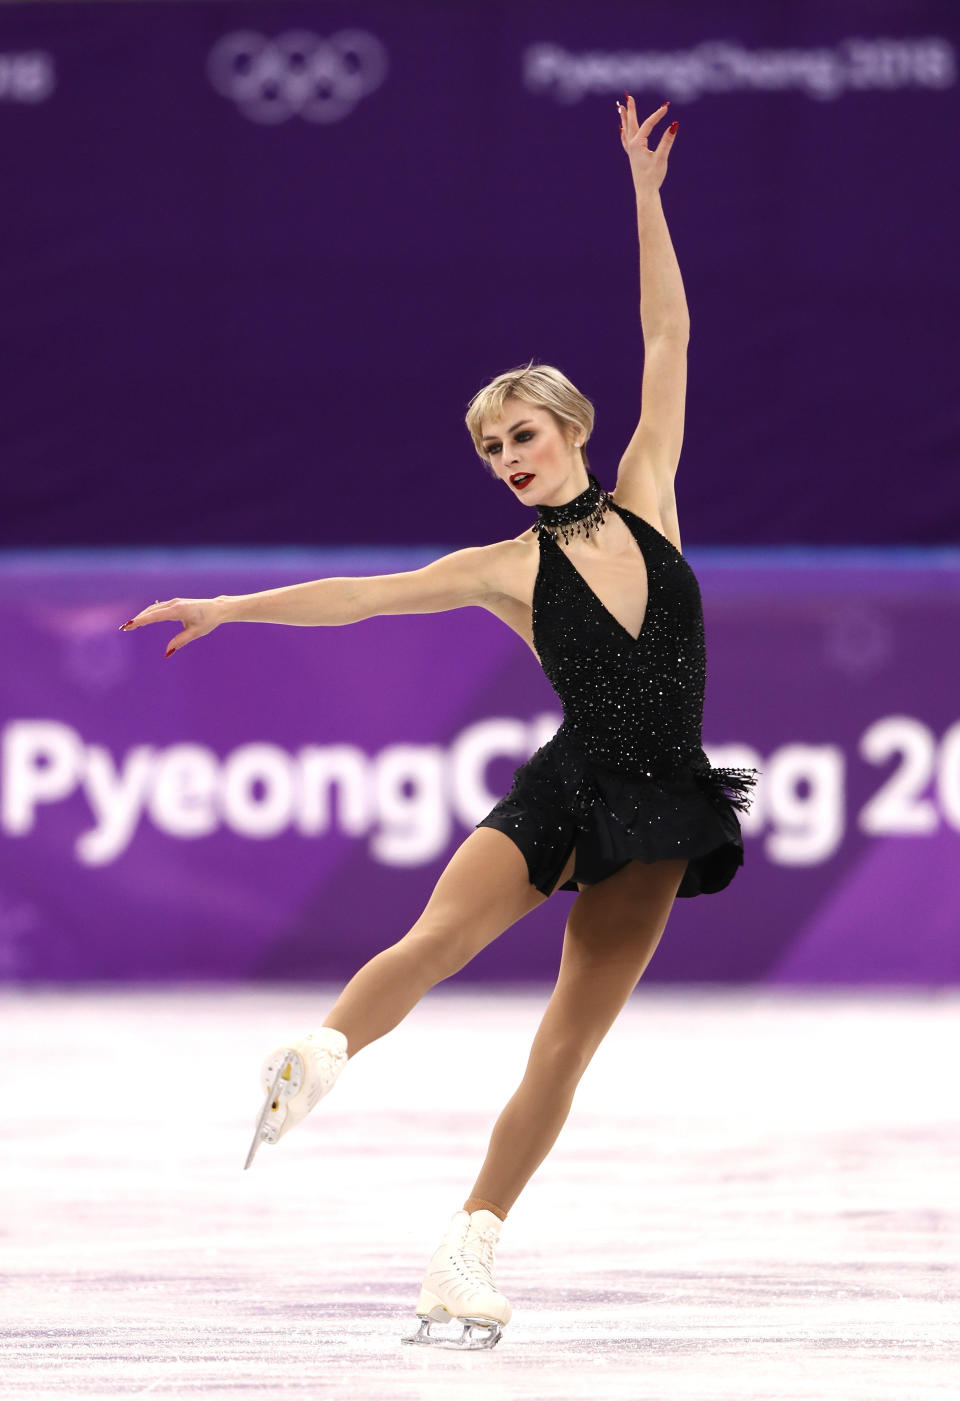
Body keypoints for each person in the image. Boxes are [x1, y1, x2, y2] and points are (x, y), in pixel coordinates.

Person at [119, 95, 759, 1351]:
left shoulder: (649, 496)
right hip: (570, 784)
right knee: (432, 943)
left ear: (571, 430)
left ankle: (464, 1254)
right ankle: (316, 1056)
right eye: (489, 448)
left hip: (662, 803)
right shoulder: (501, 566)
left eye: (521, 435)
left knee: (564, 1046)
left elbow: (667, 333)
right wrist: (234, 606)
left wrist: (646, 192)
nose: (507, 456)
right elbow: (362, 597)